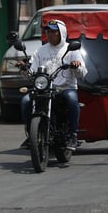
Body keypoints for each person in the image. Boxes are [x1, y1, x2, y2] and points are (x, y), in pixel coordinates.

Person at [19, 19, 87, 151]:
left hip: (65, 88)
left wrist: (75, 66)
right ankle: (30, 135)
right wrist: (24, 69)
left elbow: (82, 73)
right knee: (26, 101)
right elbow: (31, 72)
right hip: (44, 89)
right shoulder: (40, 51)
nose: (50, 34)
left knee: (72, 99)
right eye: (48, 31)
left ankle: (73, 135)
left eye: (53, 32)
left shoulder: (71, 50)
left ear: (61, 33)